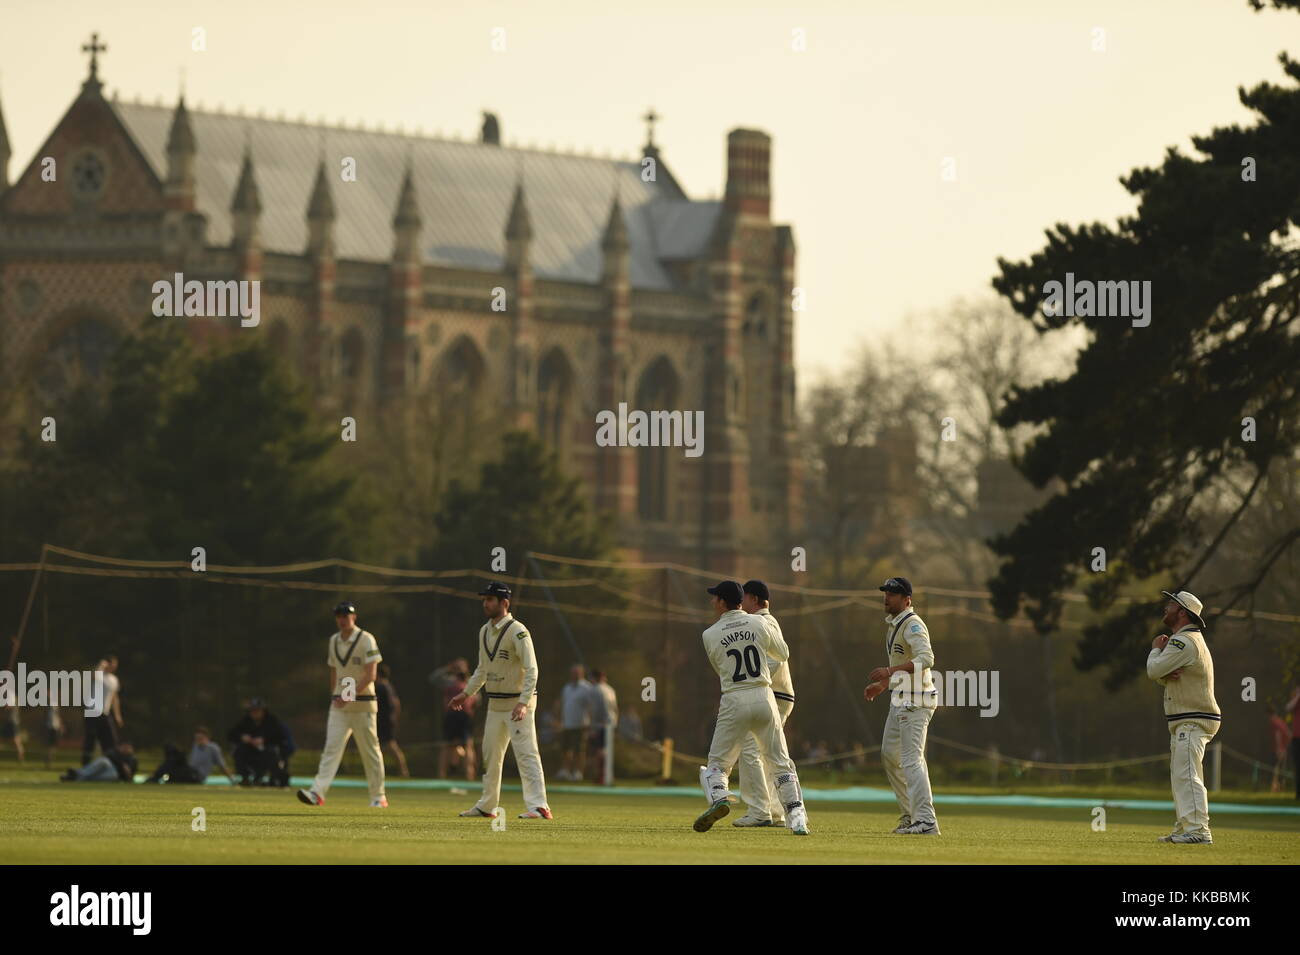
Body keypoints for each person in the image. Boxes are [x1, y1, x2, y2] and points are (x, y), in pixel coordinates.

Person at [694, 580, 808, 836]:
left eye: (715, 598)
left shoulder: (709, 634)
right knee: (779, 762)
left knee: (717, 765)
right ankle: (797, 816)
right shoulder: (760, 622)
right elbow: (783, 652)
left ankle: (720, 798)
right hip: (765, 696)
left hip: (734, 698)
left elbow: (721, 668)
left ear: (723, 602)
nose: (713, 602)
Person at [449, 581, 552, 820]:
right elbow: (482, 670)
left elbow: (532, 669)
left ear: (504, 603)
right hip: (496, 704)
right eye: (484, 600)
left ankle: (539, 806)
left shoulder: (518, 631)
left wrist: (524, 702)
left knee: (526, 753)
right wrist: (466, 693)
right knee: (490, 755)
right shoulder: (484, 631)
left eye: (491, 600)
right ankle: (487, 806)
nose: (486, 604)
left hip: (518, 703)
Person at [864, 576, 940, 835]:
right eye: (886, 592)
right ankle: (910, 815)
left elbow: (926, 658)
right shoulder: (895, 625)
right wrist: (884, 684)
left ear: (907, 599)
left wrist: (888, 670)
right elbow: (905, 661)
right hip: (901, 698)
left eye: (893, 594)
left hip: (916, 700)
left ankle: (926, 821)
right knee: (889, 756)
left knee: (911, 760)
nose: (887, 597)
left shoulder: (913, 624)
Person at [297, 601, 388, 808]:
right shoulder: (334, 640)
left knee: (370, 751)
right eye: (339, 616)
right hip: (339, 706)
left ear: (354, 618)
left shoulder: (366, 639)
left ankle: (378, 796)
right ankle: (317, 793)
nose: (342, 619)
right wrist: (335, 695)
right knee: (331, 750)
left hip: (363, 705)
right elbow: (334, 671)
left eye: (346, 615)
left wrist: (349, 694)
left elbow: (371, 674)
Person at [1148, 589, 1220, 843]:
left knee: (1187, 774)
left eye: (1170, 604)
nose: (1165, 607)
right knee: (1182, 774)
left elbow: (1153, 669)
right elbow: (1163, 675)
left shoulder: (1183, 642)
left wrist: (1156, 649)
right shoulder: (1189, 641)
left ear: (1181, 611)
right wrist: (1163, 674)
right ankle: (1186, 827)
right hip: (1189, 719)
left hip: (1193, 719)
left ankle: (1198, 831)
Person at [734, 579, 795, 827]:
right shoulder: (765, 621)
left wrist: (751, 680)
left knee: (750, 750)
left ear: (754, 600)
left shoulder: (764, 622)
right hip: (777, 696)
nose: (741, 603)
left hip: (773, 696)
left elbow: (777, 660)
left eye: (744, 598)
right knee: (771, 754)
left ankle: (759, 810)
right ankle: (777, 811)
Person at [228, 699, 295, 786]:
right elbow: (231, 734)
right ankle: (245, 778)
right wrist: (243, 737)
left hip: (268, 751)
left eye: (257, 710)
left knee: (272, 754)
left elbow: (280, 736)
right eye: (252, 711)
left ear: (263, 711)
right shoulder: (246, 721)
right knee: (239, 751)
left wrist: (264, 740)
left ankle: (272, 779)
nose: (254, 713)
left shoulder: (272, 720)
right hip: (250, 752)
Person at [147, 727, 236, 784]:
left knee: (173, 759)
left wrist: (232, 780)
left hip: (197, 776)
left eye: (201, 738)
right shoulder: (195, 746)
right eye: (197, 739)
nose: (198, 741)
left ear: (207, 738)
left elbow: (222, 765)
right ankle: (155, 778)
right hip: (189, 772)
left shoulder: (213, 748)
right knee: (171, 758)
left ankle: (154, 779)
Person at [435, 660, 477, 780]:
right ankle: (469, 775)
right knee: (465, 746)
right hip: (463, 715)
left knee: (449, 746)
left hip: (454, 715)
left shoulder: (451, 684)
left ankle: (443, 775)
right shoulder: (471, 685)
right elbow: (475, 702)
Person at [81, 656, 122, 764]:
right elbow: (93, 676)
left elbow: (114, 698)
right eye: (112, 664)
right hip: (92, 711)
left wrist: (117, 715)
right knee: (91, 739)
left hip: (105, 713)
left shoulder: (114, 679)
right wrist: (101, 665)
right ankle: (86, 764)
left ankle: (110, 764)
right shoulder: (100, 675)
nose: (114, 667)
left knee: (111, 740)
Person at [556, 664, 591, 781]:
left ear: (582, 674)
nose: (575, 675)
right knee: (566, 750)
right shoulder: (567, 688)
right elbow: (563, 705)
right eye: (573, 673)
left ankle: (578, 772)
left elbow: (590, 706)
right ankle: (565, 771)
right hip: (567, 724)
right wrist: (560, 720)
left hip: (581, 725)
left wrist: (589, 723)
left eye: (577, 673)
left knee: (579, 751)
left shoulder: (587, 688)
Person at [375, 663, 410, 777]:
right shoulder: (389, 686)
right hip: (388, 720)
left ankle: (403, 771)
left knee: (390, 746)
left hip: (384, 721)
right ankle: (378, 771)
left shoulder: (381, 687)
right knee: (381, 746)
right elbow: (397, 704)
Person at [585, 670, 618, 784]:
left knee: (599, 751)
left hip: (600, 725)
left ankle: (601, 776)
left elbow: (595, 710)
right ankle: (607, 776)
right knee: (606, 750)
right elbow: (615, 709)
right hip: (610, 724)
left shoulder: (594, 690)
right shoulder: (610, 689)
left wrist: (593, 727)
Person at [61, 741, 137, 782]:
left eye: (128, 747)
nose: (125, 749)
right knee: (103, 761)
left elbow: (130, 777)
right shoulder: (115, 752)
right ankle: (79, 773)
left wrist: (128, 775)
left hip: (116, 775)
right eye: (124, 747)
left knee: (110, 776)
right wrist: (122, 764)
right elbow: (108, 755)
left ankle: (74, 777)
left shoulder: (132, 759)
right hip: (107, 767)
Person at [1267, 704, 1290, 793]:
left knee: (1275, 769)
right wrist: (1285, 747)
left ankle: (1275, 789)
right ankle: (1281, 789)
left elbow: (1278, 734)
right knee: (1281, 770)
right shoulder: (1281, 721)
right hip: (1283, 749)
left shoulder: (1274, 721)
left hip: (1278, 749)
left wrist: (1279, 748)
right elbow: (1288, 733)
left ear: (1269, 714)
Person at [1287, 685, 1300, 800]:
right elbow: (1288, 708)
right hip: (1296, 738)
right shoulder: (1296, 697)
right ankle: (1298, 793)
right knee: (1297, 766)